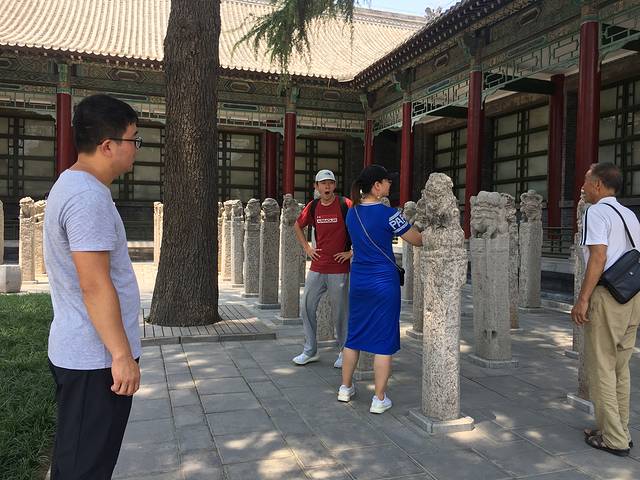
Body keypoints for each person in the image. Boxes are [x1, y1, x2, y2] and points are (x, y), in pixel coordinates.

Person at [44, 94, 142, 478]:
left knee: (78, 460)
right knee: (84, 469)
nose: (136, 149)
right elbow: (94, 284)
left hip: (86, 352)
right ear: (107, 146)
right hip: (95, 359)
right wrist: (121, 355)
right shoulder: (87, 197)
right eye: (133, 139)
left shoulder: (74, 184)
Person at [337, 164, 422, 413]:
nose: (390, 185)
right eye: (387, 181)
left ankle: (345, 388)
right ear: (377, 186)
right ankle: (379, 398)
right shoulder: (390, 214)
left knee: (354, 336)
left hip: (359, 281)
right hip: (384, 282)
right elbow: (417, 240)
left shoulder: (352, 213)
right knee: (383, 341)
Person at [571, 162, 640, 457]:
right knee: (620, 368)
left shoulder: (596, 212)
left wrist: (583, 299)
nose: (583, 187)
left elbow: (598, 257)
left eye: (586, 181)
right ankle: (619, 430)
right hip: (632, 297)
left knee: (601, 367)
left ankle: (614, 438)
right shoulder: (629, 215)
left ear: (598, 185)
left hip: (608, 297)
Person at [292, 169, 352, 368]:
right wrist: (307, 248)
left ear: (334, 185)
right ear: (316, 187)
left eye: (330, 183)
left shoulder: (345, 204)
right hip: (317, 266)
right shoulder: (314, 206)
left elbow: (362, 227)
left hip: (339, 268)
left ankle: (344, 351)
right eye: (323, 183)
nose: (327, 186)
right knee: (306, 306)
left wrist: (352, 252)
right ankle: (310, 350)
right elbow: (297, 226)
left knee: (340, 312)